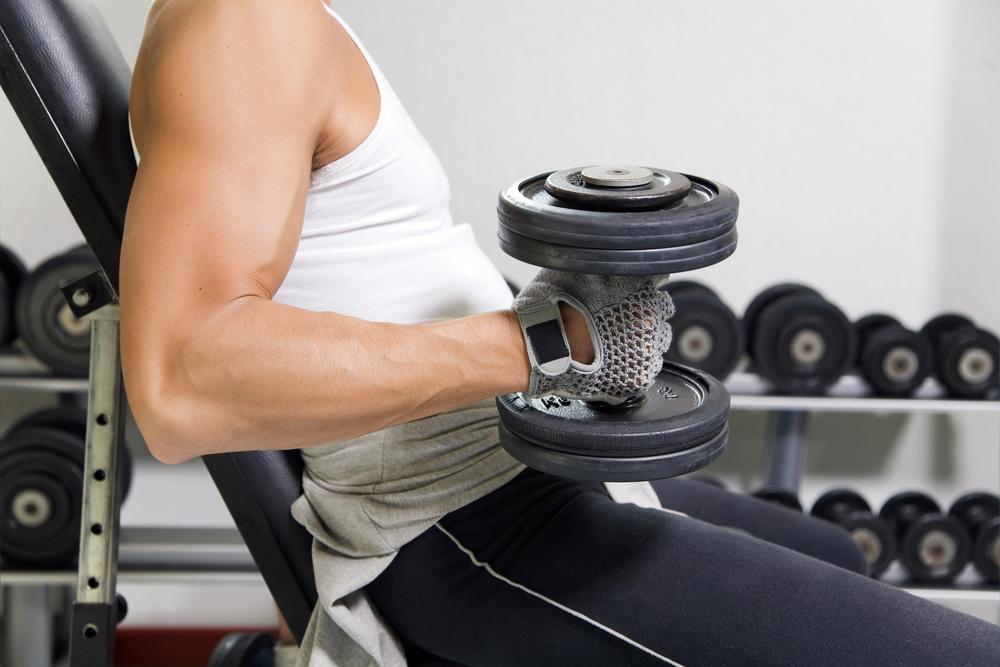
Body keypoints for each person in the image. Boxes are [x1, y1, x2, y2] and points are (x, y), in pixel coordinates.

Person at [121, 1, 1000, 665]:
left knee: (836, 548)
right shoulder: (240, 24)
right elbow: (183, 382)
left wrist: (552, 309)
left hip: (527, 469)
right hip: (470, 525)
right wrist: (550, 340)